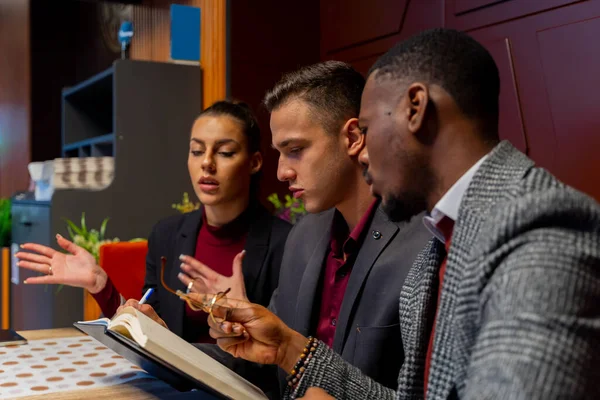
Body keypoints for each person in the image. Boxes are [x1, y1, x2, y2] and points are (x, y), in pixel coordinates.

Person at [205, 28, 600, 399]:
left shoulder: (543, 228)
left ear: (416, 109)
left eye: (370, 128)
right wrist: (290, 347)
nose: (363, 151)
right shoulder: (442, 241)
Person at [180, 61, 431, 397]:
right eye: (280, 154)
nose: (282, 171)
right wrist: (161, 345)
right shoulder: (303, 236)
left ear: (354, 137)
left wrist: (288, 349)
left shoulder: (426, 247)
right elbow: (270, 368)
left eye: (295, 151)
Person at [16, 100, 292, 343]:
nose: (207, 163)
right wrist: (101, 286)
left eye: (225, 152)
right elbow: (151, 331)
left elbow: (287, 356)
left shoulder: (287, 244)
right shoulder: (167, 234)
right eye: (196, 151)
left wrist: (241, 315)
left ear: (254, 162)